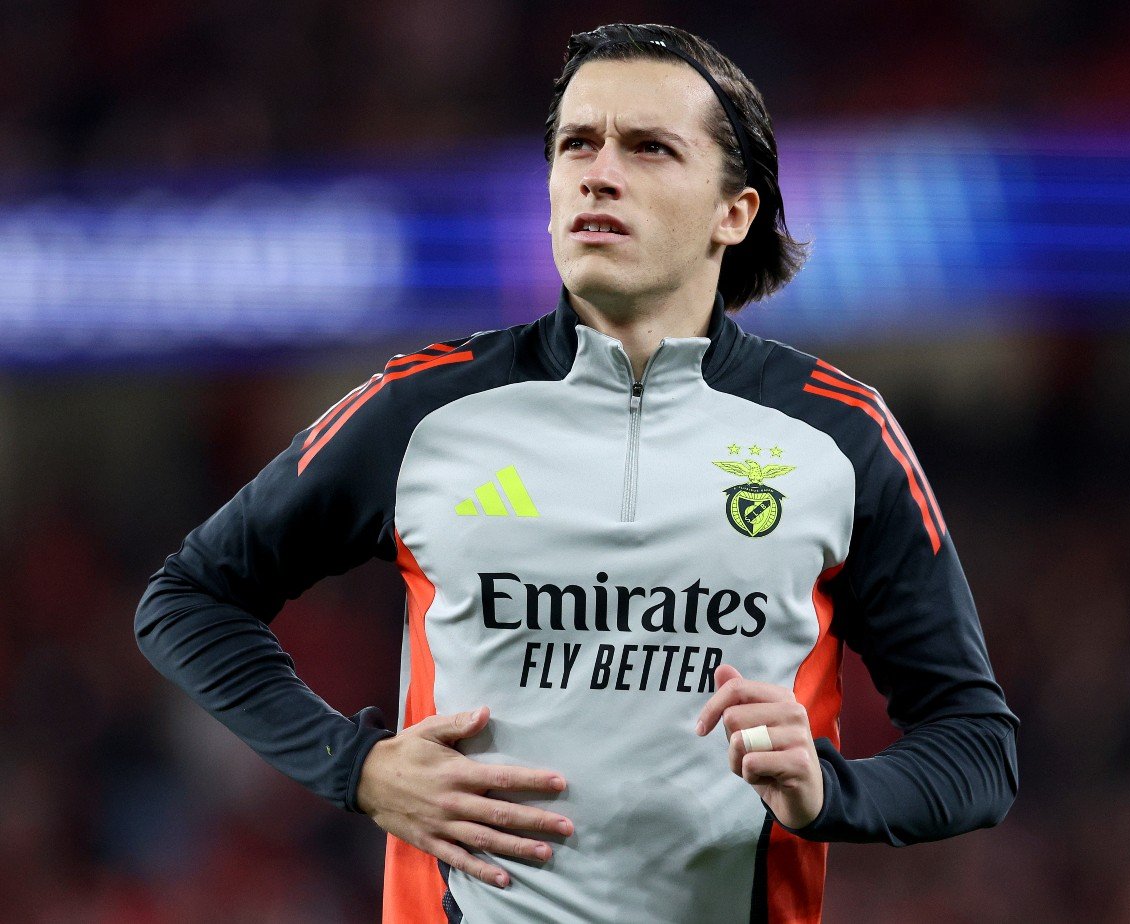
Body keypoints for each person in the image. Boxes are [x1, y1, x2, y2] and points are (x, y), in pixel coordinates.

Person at [136, 22, 1018, 924]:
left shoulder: (839, 432)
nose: (599, 172)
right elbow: (187, 598)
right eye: (576, 144)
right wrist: (356, 767)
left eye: (649, 147)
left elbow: (979, 748)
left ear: (735, 213)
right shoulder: (420, 411)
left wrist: (829, 795)